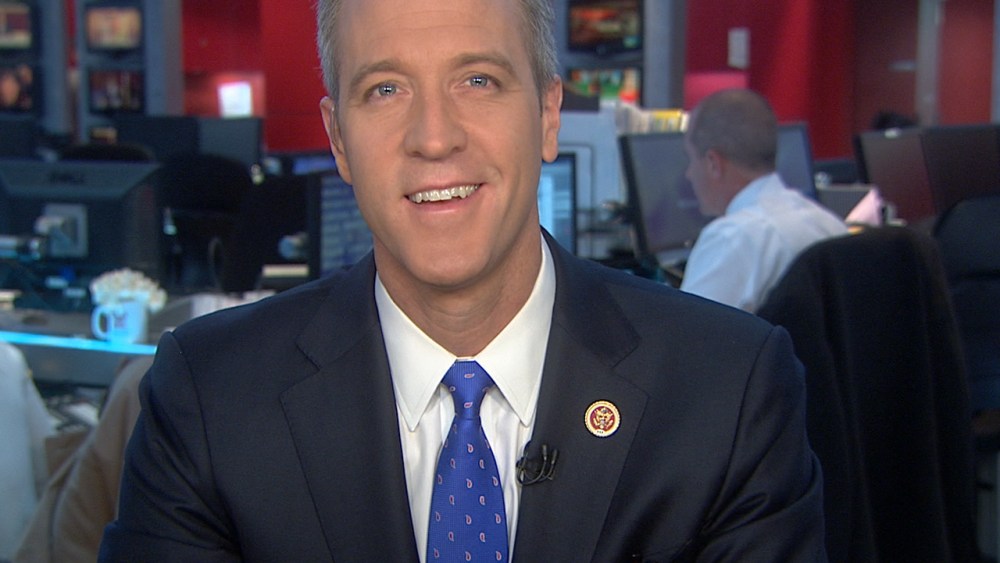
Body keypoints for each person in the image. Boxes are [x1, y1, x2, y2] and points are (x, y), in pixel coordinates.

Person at [99, 1, 826, 561]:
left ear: (547, 114)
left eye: (478, 80)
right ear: (338, 139)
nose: (434, 136)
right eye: (385, 89)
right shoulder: (209, 397)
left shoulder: (727, 391)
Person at [679, 89, 848, 312]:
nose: (689, 174)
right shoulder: (829, 224)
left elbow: (686, 331)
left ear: (713, 163)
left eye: (691, 159)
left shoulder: (731, 239)